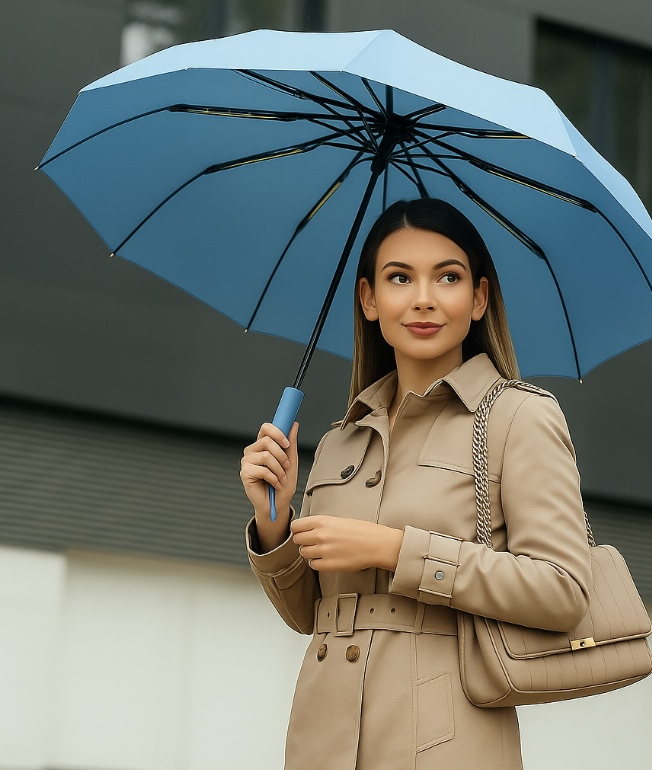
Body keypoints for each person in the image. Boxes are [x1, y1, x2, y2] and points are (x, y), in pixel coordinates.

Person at [239, 198, 593, 769]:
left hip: (445, 744)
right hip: (321, 742)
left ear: (478, 298)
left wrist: (397, 550)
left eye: (447, 277)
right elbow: (313, 615)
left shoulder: (516, 418)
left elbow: (563, 590)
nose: (423, 297)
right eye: (399, 277)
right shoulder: (340, 440)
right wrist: (273, 522)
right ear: (369, 299)